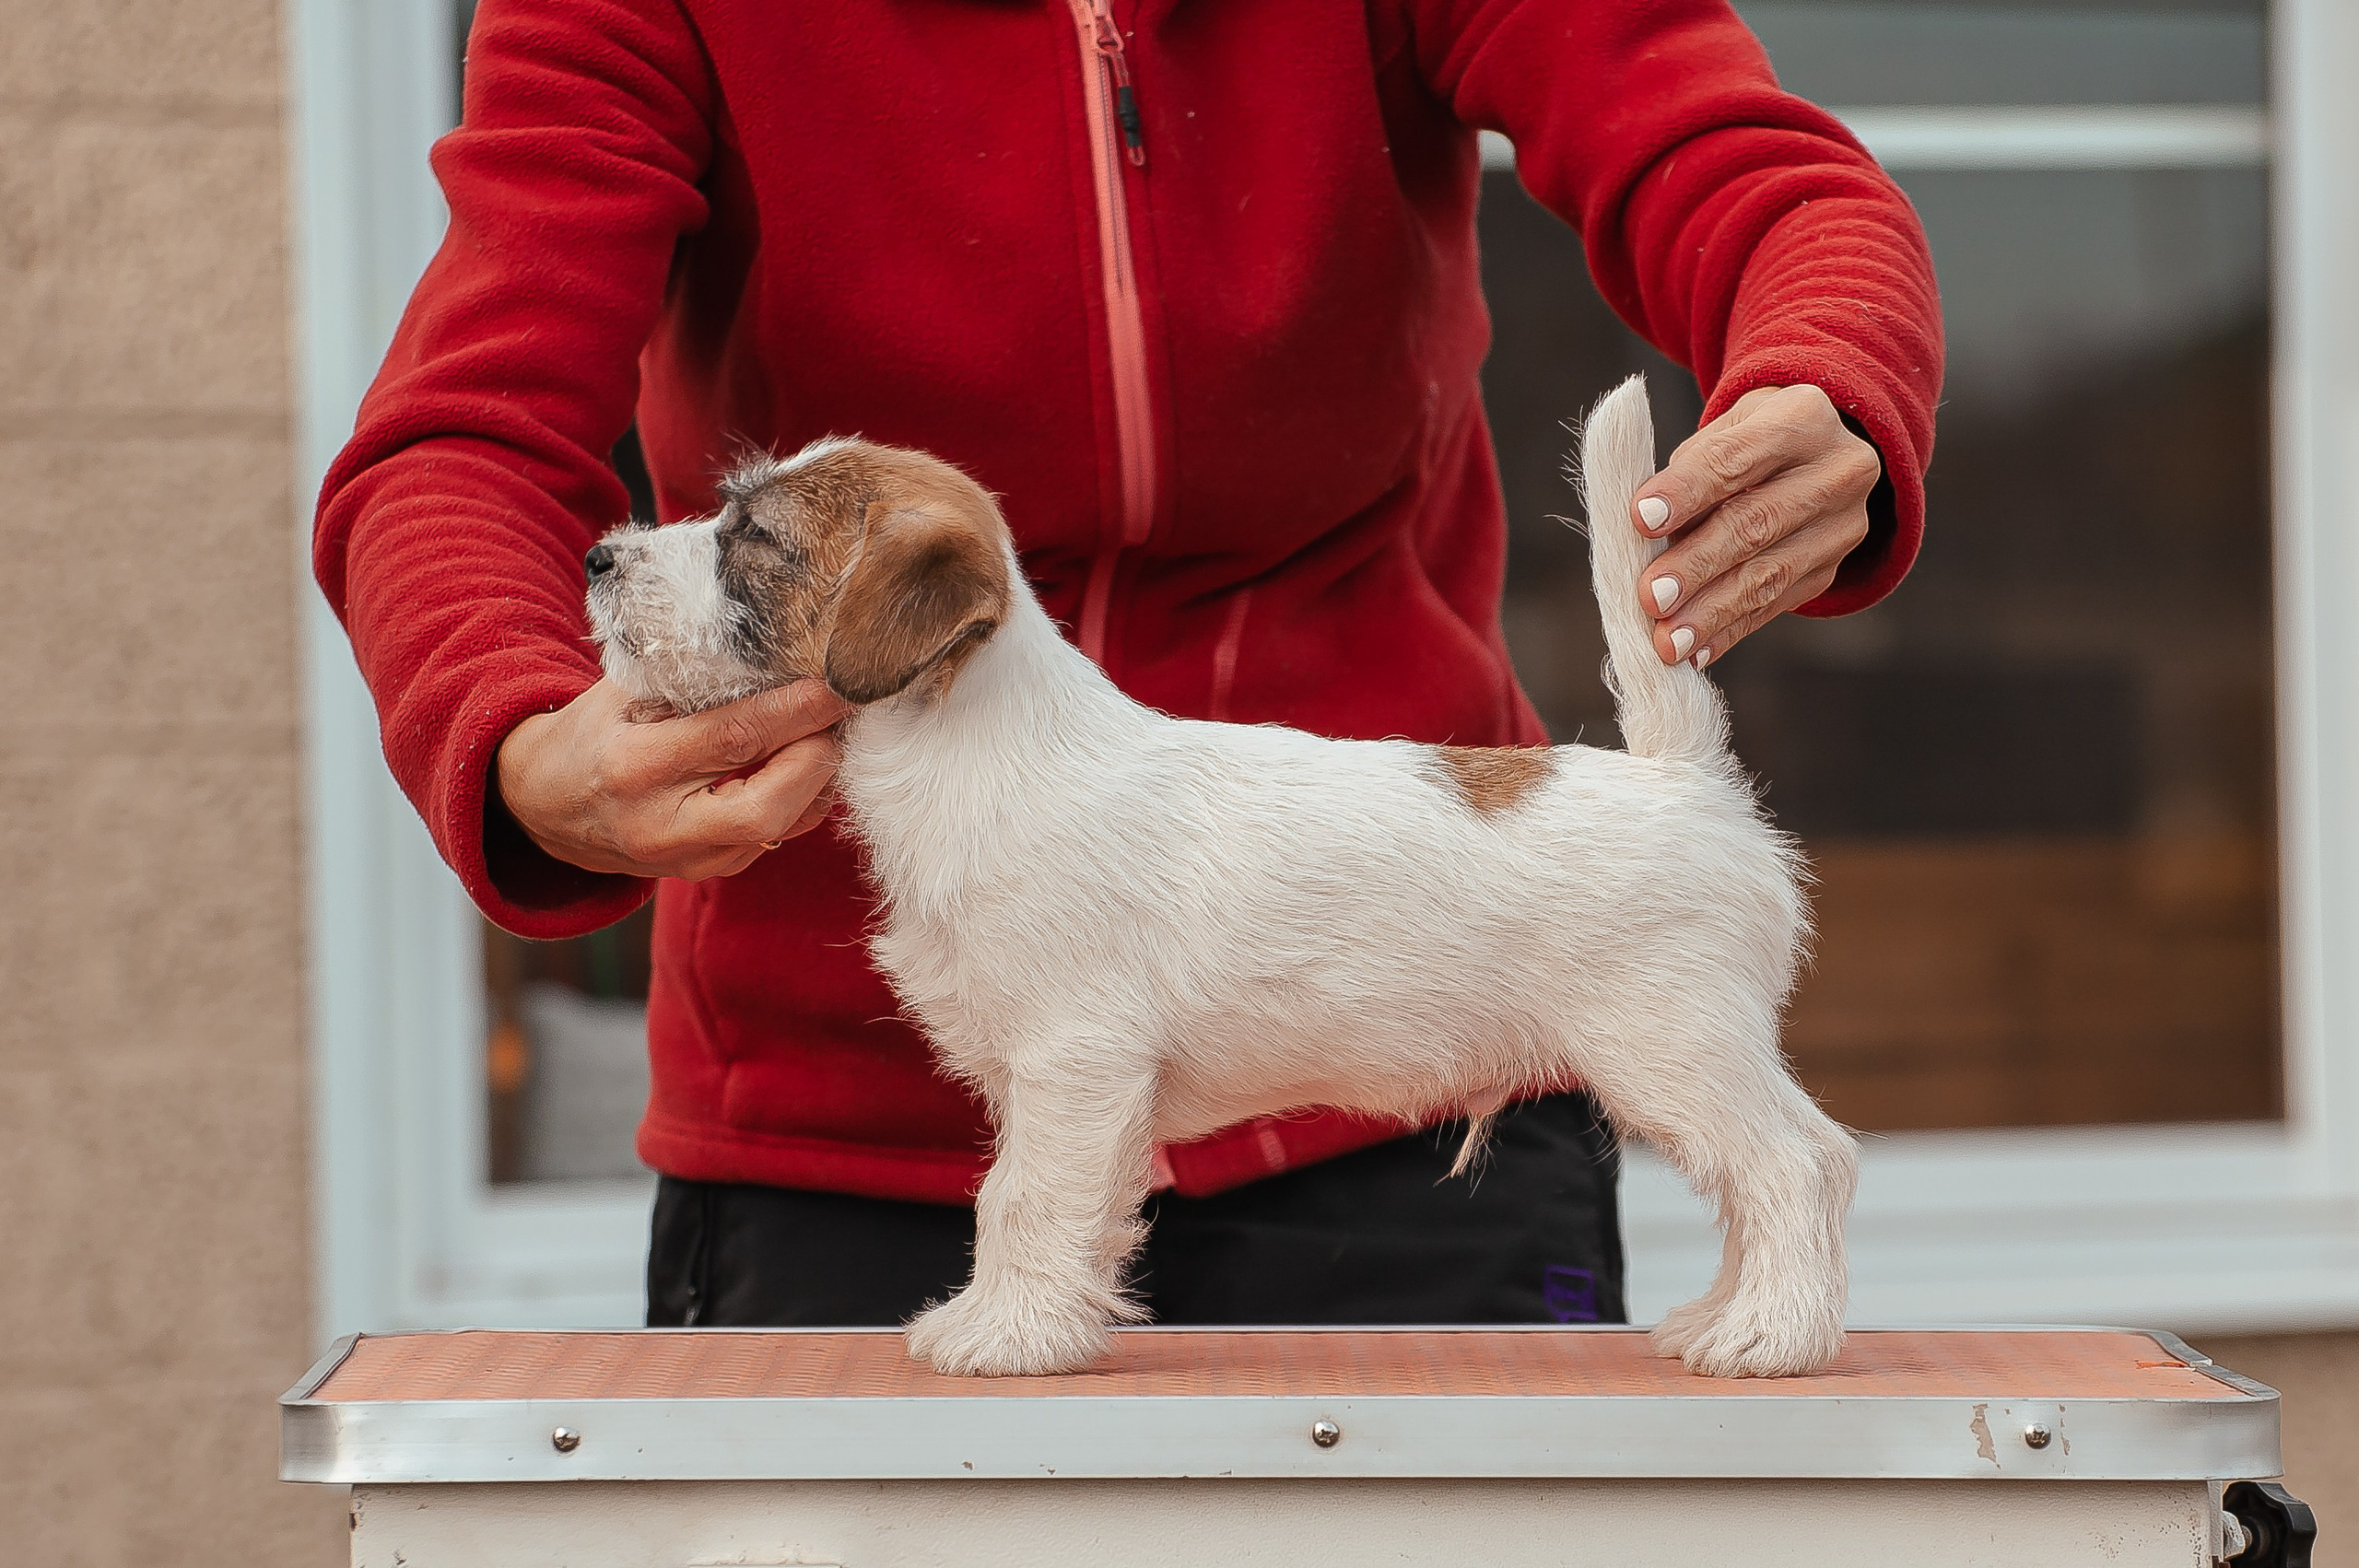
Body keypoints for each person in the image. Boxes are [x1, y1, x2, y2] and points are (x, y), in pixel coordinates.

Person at [315, 0, 1941, 1330]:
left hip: (1415, 1083)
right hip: (831, 1140)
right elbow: (456, 442)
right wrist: (516, 728)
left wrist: (1827, 374)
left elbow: (1751, 169)